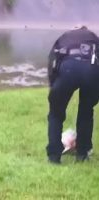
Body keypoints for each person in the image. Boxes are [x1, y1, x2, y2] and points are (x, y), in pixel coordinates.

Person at [46, 26, 99, 164]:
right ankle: (82, 154)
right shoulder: (94, 38)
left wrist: (53, 85)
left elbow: (52, 60)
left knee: (55, 113)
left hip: (67, 69)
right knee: (86, 112)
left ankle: (54, 157)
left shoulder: (64, 37)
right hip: (91, 70)